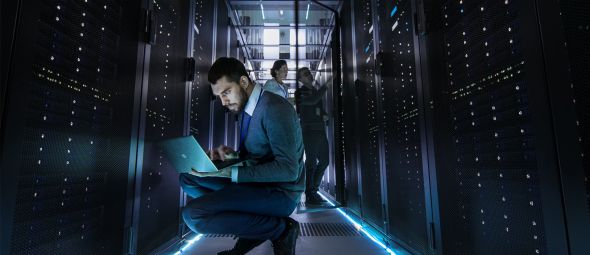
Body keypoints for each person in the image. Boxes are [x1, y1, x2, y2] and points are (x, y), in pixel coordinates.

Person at [179, 57, 305, 255]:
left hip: (280, 194)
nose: (223, 101)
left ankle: (280, 229)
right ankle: (254, 222)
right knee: (188, 177)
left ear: (244, 82)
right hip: (258, 185)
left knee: (193, 215)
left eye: (226, 92)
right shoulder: (249, 108)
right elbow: (257, 156)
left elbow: (289, 170)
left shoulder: (275, 109)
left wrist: (231, 173)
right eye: (219, 96)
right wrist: (228, 157)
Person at [295, 67, 329, 204]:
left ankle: (313, 190)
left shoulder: (314, 91)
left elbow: (316, 108)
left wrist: (323, 114)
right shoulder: (300, 92)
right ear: (300, 79)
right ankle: (310, 193)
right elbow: (311, 102)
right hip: (309, 131)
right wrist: (326, 86)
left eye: (309, 73)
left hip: (320, 130)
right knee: (311, 163)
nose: (309, 75)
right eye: (305, 74)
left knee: (325, 161)